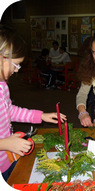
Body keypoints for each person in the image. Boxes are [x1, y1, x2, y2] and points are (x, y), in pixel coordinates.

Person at [0, 25, 67, 181]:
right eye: (16, 64)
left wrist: (41, 116)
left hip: (8, 158)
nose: (17, 70)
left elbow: (10, 111)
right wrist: (5, 144)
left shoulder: (3, 86)